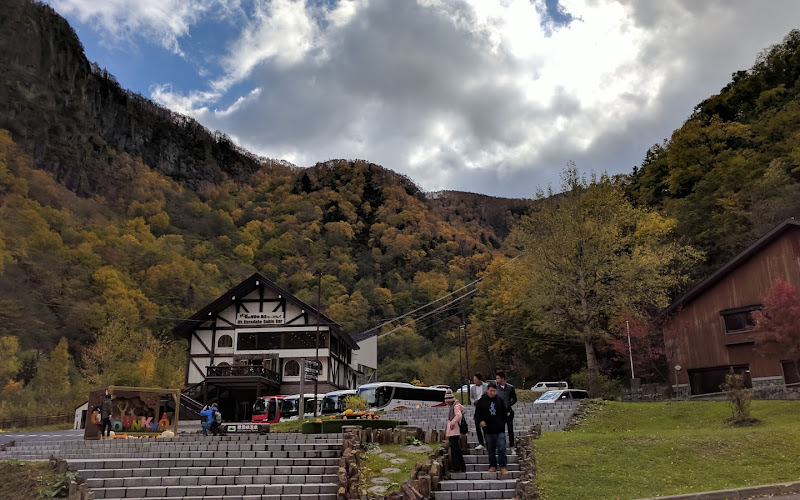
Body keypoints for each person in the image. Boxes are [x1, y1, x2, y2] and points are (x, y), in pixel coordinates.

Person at [475, 381, 508, 474]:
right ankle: (492, 465)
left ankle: (503, 466)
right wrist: (480, 421)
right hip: (488, 430)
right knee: (490, 449)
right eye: (490, 390)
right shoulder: (482, 401)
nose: (492, 392)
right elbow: (477, 414)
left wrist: (502, 423)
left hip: (499, 429)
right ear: (487, 390)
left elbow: (505, 413)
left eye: (494, 391)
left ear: (496, 391)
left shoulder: (500, 400)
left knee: (502, 448)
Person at [444, 389, 466, 473]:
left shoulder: (455, 406)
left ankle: (457, 467)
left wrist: (453, 422)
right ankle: (461, 466)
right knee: (456, 449)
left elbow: (458, 415)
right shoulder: (454, 406)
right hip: (454, 431)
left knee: (455, 449)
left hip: (454, 431)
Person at [495, 370, 517, 448]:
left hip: (508, 411)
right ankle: (501, 445)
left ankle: (512, 445)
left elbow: (514, 399)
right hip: (499, 412)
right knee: (501, 430)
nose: (497, 380)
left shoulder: (510, 388)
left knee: (510, 429)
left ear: (502, 378)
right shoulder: (496, 388)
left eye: (498, 378)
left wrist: (508, 405)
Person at [470, 373, 486, 450]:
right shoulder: (473, 388)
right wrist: (474, 401)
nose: (474, 381)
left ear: (479, 379)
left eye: (475, 379)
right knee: (477, 425)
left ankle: (488, 441)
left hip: (485, 408)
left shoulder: (486, 386)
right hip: (477, 407)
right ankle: (481, 442)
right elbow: (471, 397)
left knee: (486, 426)